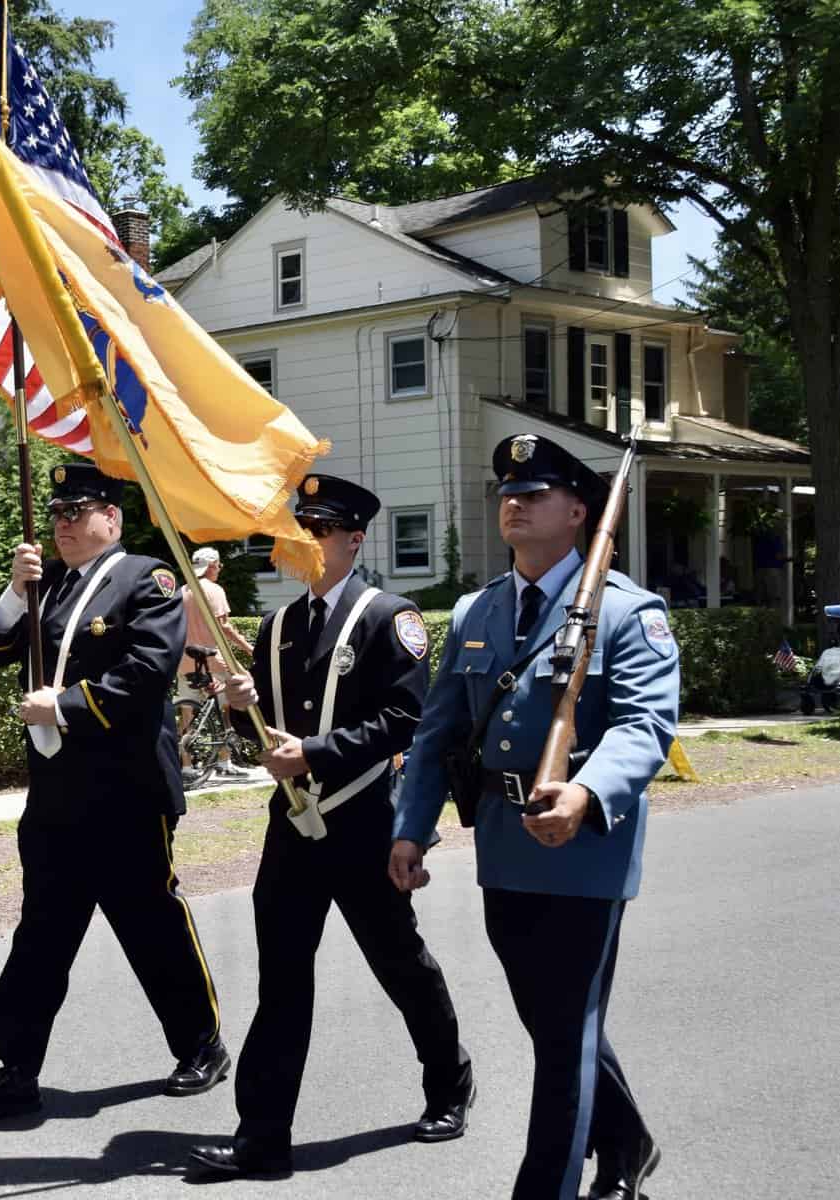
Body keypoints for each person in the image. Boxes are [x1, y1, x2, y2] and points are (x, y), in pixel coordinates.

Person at [389, 433, 680, 1200]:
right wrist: (409, 827)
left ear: (579, 511)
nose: (513, 504)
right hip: (503, 846)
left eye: (535, 494)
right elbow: (438, 732)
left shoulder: (626, 612)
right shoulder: (479, 609)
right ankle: (628, 1143)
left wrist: (587, 791)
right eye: (508, 494)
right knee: (555, 1025)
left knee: (561, 1039)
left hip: (585, 850)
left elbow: (644, 724)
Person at [187, 473, 473, 1179]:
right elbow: (262, 732)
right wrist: (236, 704)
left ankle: (448, 1079)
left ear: (353, 538)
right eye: (298, 529)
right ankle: (261, 1137)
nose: (306, 542)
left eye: (319, 530)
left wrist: (313, 751)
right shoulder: (278, 626)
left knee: (398, 963)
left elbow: (404, 719)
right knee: (282, 980)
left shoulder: (389, 616)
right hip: (292, 827)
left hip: (363, 820)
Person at [0, 463, 228, 1120]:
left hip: (126, 789)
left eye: (78, 512)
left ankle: (201, 1046)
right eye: (56, 514)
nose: (63, 525)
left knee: (150, 926)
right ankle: (16, 1070)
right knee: (41, 935)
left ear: (113, 518)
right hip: (55, 795)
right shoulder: (42, 585)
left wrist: (67, 705)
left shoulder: (146, 578)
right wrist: (14, 593)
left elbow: (146, 673)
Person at [176, 546, 255, 782]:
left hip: (184, 660)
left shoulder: (182, 591)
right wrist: (249, 648)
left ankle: (187, 767)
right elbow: (225, 627)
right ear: (211, 566)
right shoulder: (214, 590)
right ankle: (224, 760)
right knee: (228, 706)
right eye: (218, 565)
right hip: (213, 661)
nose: (219, 569)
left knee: (187, 713)